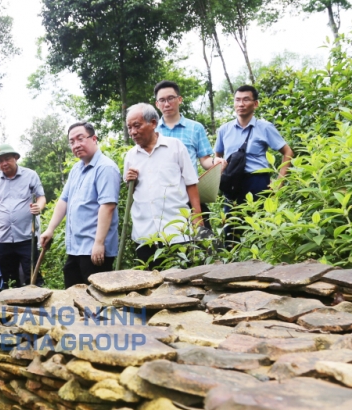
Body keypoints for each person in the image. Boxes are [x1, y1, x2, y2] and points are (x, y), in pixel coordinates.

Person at [39, 122, 121, 288]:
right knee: (73, 294)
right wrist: (50, 228)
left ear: (94, 139)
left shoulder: (105, 168)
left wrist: (99, 244)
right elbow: (64, 200)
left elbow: (108, 206)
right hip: (76, 248)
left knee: (97, 302)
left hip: (94, 250)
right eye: (72, 142)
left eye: (80, 139)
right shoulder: (76, 169)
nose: (76, 145)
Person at [123, 103, 203, 270]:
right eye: (129, 127)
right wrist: (132, 180)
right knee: (151, 288)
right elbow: (133, 190)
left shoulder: (175, 147)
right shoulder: (131, 156)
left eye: (137, 126)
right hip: (145, 235)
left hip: (177, 233)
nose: (133, 132)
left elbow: (191, 183)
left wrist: (197, 217)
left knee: (183, 284)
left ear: (153, 123)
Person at [215, 85, 295, 242]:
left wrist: (279, 181)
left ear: (255, 104)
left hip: (257, 182)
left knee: (260, 229)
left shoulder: (265, 128)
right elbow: (217, 155)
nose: (241, 104)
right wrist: (220, 170)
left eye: (246, 99)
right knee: (231, 232)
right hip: (232, 184)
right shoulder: (225, 129)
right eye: (237, 100)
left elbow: (288, 152)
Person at [0, 144, 46, 287]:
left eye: (7, 159)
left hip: (26, 237)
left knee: (33, 277)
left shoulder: (30, 175)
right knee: (9, 280)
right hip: (3, 239)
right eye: (0, 161)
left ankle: (37, 307)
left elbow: (41, 197)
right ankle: (12, 308)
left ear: (16, 158)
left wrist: (39, 206)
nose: (4, 163)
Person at [154, 80, 225, 172]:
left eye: (170, 98)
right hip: (159, 184)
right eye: (162, 100)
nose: (167, 104)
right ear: (157, 104)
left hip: (188, 185)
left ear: (179, 99)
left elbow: (205, 160)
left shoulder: (196, 128)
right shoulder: (151, 130)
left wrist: (214, 162)